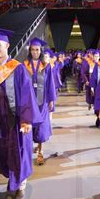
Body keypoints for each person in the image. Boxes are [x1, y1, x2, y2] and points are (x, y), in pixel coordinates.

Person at [0, 27, 40, 199]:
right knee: (0, 151)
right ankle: (13, 179)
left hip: (16, 121)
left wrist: (27, 119)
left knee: (18, 153)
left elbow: (27, 94)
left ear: (7, 45)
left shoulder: (18, 69)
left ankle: (19, 185)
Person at [23, 38, 56, 166]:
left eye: (37, 50)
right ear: (30, 51)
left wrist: (51, 99)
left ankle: (40, 151)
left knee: (41, 126)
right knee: (29, 125)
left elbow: (50, 83)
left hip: (42, 102)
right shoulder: (24, 65)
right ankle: (28, 149)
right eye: (32, 50)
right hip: (28, 102)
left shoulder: (46, 66)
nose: (35, 52)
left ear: (40, 51)